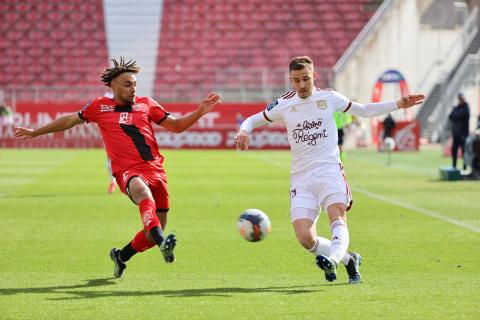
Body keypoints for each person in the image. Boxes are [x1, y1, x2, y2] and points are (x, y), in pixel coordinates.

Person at [14, 57, 221, 278]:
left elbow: (177, 126)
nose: (132, 89)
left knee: (153, 231)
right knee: (144, 196)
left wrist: (200, 111)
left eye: (134, 84)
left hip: (155, 170)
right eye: (127, 84)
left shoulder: (147, 104)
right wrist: (36, 132)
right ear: (113, 86)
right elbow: (68, 120)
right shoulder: (98, 106)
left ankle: (121, 256)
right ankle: (163, 244)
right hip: (127, 170)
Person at [235, 56, 424, 284]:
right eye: (296, 80)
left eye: (305, 79)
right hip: (301, 178)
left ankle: (333, 260)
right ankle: (349, 260)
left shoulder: (329, 97)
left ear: (314, 76)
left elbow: (363, 110)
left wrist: (398, 104)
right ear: (290, 80)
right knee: (306, 238)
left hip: (329, 170)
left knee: (337, 215)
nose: (302, 85)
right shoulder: (284, 103)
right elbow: (252, 120)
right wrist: (243, 131)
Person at [448, 93, 470, 170]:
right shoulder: (456, 107)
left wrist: (456, 115)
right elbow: (450, 116)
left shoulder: (466, 107)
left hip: (463, 134)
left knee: (464, 151)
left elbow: (459, 115)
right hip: (456, 133)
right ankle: (454, 166)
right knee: (454, 150)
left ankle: (465, 167)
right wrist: (456, 114)